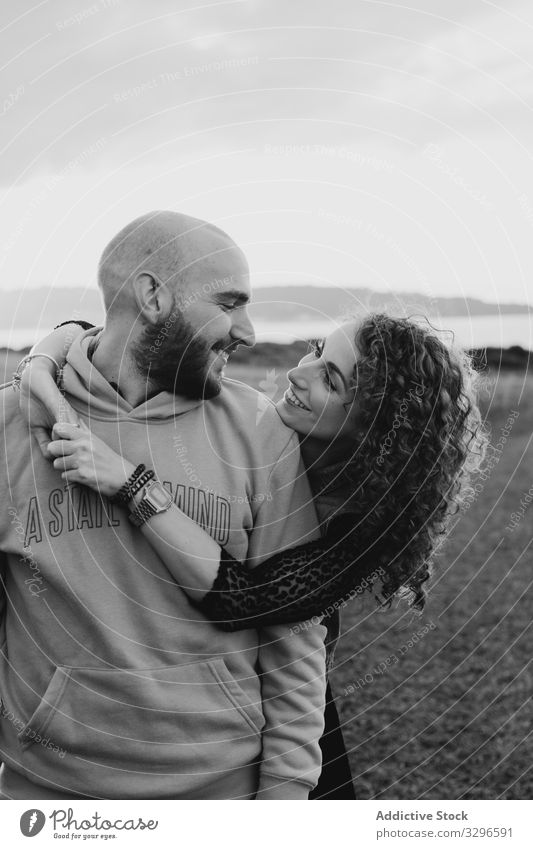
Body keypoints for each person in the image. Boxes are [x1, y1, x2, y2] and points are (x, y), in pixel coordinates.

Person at [16, 308, 487, 797]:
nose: (296, 373)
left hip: (288, 692)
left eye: (330, 379)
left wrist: (131, 484)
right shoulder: (262, 436)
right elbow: (99, 332)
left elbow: (240, 599)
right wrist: (48, 354)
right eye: (318, 350)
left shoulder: (361, 528)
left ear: (374, 424)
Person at [0, 211, 330, 801]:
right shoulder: (11, 427)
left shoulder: (260, 432)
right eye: (229, 303)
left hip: (222, 793)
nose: (248, 331)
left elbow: (294, 630)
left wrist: (287, 790)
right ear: (153, 295)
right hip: (45, 795)